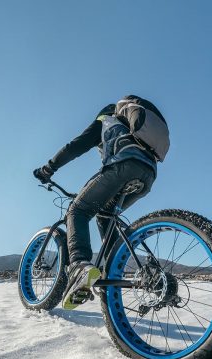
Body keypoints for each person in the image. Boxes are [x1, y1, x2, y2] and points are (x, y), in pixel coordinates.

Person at [33, 95, 167, 310]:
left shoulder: (107, 119)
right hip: (148, 173)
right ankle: (114, 270)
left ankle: (79, 267)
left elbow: (75, 146)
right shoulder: (136, 132)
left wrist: (49, 168)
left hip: (123, 165)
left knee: (77, 210)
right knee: (105, 215)